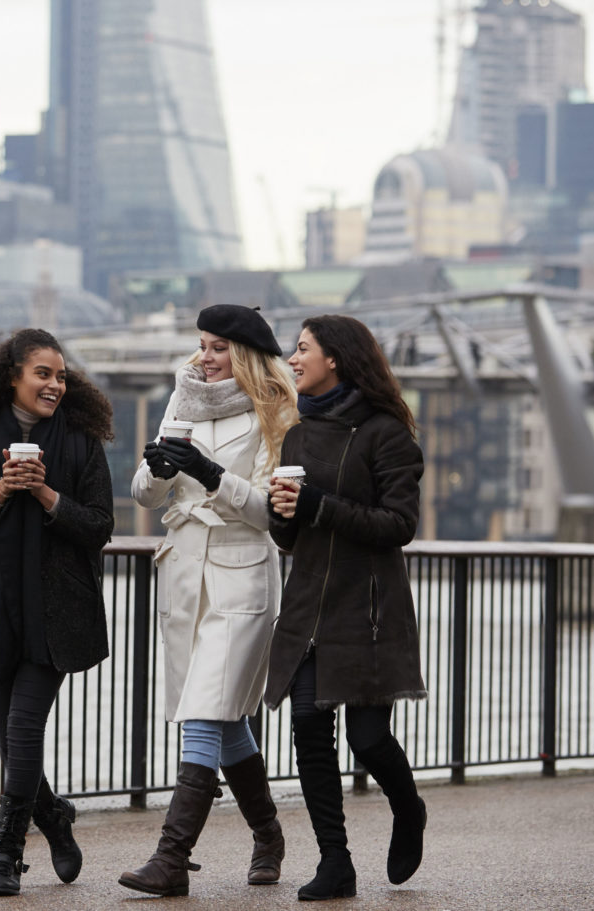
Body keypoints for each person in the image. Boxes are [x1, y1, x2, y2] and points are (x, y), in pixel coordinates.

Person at [119, 304, 298, 897]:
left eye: (218, 347)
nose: (204, 357)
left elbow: (271, 512)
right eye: (201, 345)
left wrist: (212, 474)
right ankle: (269, 835)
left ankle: (171, 860)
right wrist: (159, 468)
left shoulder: (277, 408)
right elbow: (145, 497)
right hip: (184, 570)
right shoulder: (184, 397)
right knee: (222, 721)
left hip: (243, 575)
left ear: (244, 354)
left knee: (204, 711)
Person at [0, 328, 116, 897]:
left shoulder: (82, 441)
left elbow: (100, 527)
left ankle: (6, 854)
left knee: (21, 727)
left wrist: (44, 495)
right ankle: (54, 817)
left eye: (62, 375)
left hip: (58, 613)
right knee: (13, 745)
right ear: (12, 375)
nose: (55, 385)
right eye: (43, 373)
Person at [266, 314, 428, 902]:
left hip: (367, 611)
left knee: (367, 739)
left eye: (302, 348)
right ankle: (336, 862)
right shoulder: (296, 436)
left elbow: (399, 525)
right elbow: (294, 538)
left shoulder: (387, 434)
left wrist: (319, 505)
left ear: (334, 357)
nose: (292, 357)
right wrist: (281, 516)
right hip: (308, 606)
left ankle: (408, 809)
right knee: (309, 728)